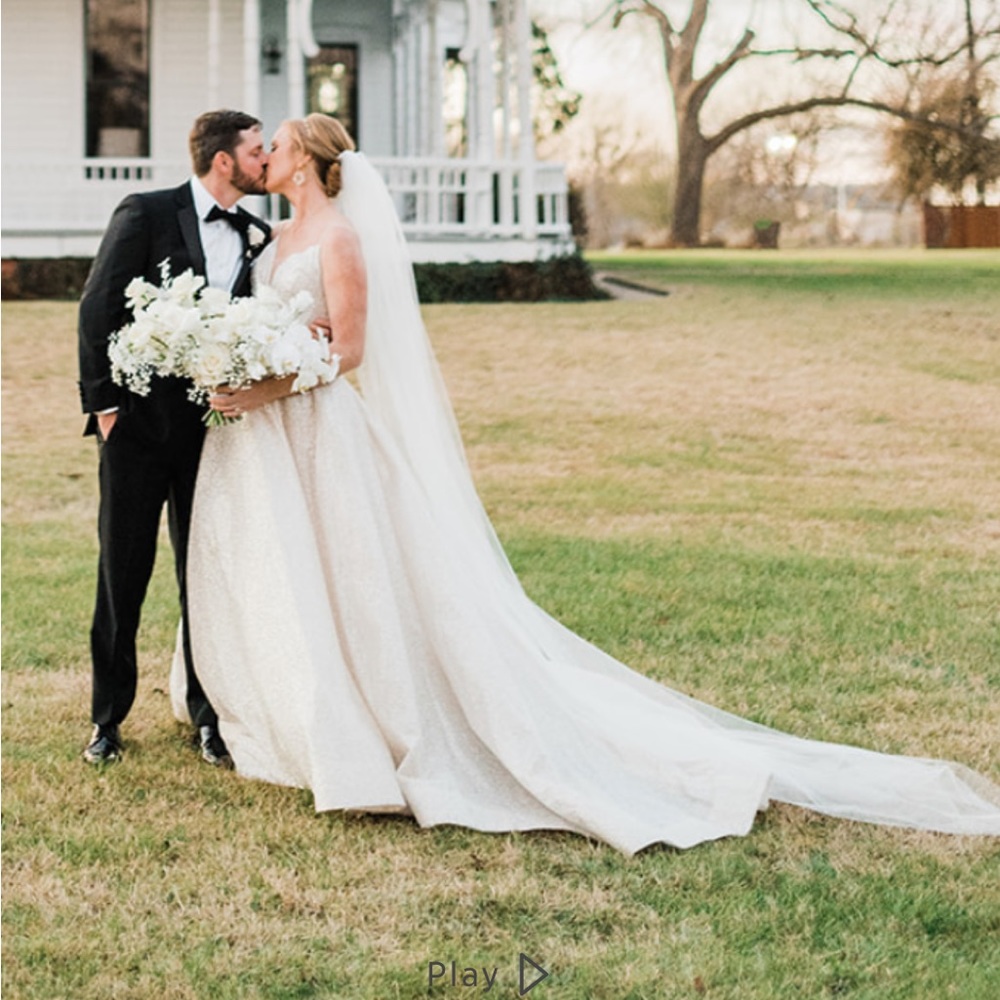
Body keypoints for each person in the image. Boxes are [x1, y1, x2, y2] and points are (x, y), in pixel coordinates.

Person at [177, 114, 1000, 854]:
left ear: (304, 163)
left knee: (351, 579)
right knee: (284, 570)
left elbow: (348, 351)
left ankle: (373, 729)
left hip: (319, 431)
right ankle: (279, 712)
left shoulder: (341, 242)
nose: (265, 153)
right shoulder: (274, 240)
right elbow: (275, 325)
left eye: (276, 145)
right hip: (267, 435)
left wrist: (269, 383)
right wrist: (238, 362)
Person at [78, 110, 272, 766]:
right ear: (225, 161)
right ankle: (107, 720)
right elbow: (98, 306)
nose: (265, 159)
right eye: (256, 149)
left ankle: (209, 717)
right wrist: (104, 408)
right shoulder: (146, 212)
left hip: (213, 436)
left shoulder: (256, 234)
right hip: (134, 431)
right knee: (122, 575)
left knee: (206, 578)